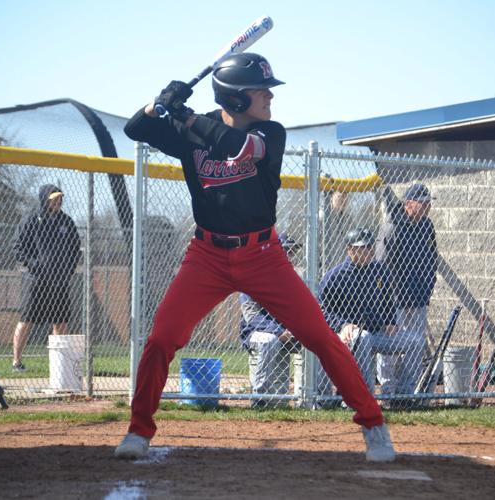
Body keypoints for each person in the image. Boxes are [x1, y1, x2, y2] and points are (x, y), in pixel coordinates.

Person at [116, 53, 395, 462]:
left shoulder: (270, 133)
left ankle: (373, 424)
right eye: (260, 90)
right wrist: (159, 102)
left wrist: (188, 118)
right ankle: (139, 430)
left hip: (264, 255)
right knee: (161, 338)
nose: (269, 96)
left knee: (320, 336)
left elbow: (238, 146)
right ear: (235, 99)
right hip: (206, 255)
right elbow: (134, 128)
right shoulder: (191, 129)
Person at [316, 228, 424, 404]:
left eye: (370, 246)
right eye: (363, 247)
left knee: (416, 340)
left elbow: (389, 301)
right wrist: (343, 325)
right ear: (350, 250)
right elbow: (321, 310)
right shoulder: (335, 276)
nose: (369, 251)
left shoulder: (380, 270)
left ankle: (404, 395)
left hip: (378, 332)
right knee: (363, 337)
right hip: (349, 335)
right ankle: (363, 396)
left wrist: (390, 322)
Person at [375, 183, 437, 394]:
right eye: (423, 203)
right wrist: (383, 300)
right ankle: (388, 389)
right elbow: (380, 265)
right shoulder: (392, 226)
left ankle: (408, 390)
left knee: (416, 345)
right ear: (409, 204)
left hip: (418, 297)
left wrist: (428, 288)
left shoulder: (427, 226)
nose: (428, 207)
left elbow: (432, 259)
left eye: (429, 203)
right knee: (390, 347)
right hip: (394, 299)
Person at [11, 184, 81, 372]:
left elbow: (76, 249)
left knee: (60, 321)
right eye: (54, 198)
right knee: (27, 319)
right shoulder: (32, 220)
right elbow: (18, 247)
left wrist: (68, 269)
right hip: (36, 280)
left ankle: (60, 365)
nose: (58, 201)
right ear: (45, 199)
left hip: (59, 280)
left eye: (60, 198)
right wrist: (35, 265)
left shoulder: (66, 221)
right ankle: (16, 362)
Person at [239, 233, 302, 408]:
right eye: (286, 251)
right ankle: (260, 398)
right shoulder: (253, 277)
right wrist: (278, 331)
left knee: (317, 341)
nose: (290, 256)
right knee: (269, 340)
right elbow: (251, 316)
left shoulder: (295, 280)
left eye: (292, 252)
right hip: (257, 332)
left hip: (287, 332)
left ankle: (313, 399)